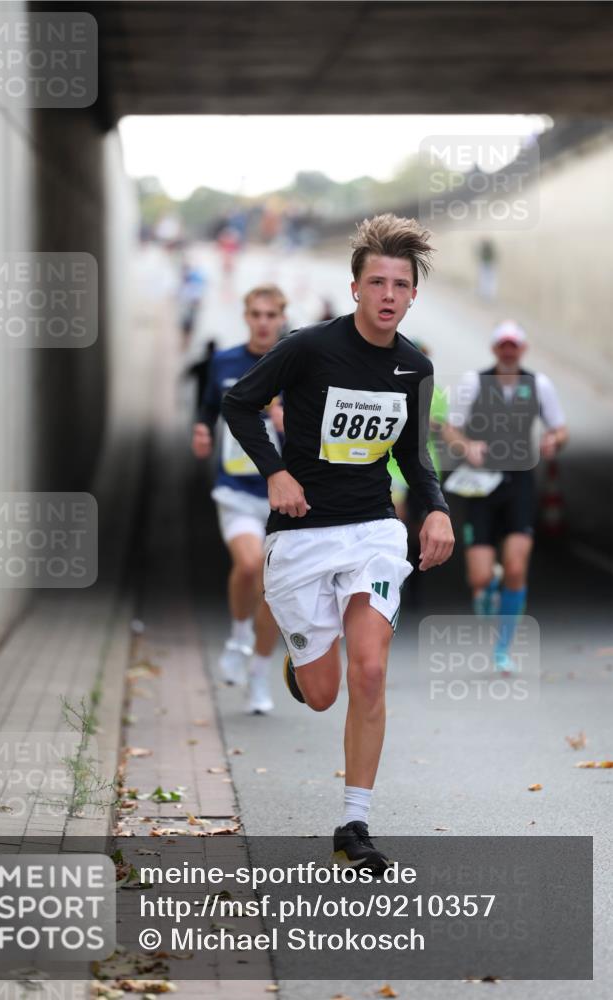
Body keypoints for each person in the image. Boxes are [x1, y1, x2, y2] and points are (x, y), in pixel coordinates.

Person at [222, 214, 454, 873]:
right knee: (322, 693)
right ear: (354, 288)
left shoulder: (414, 368)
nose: (387, 293)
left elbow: (413, 458)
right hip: (300, 536)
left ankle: (354, 823)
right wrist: (276, 473)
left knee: (371, 670)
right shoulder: (308, 348)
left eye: (399, 284)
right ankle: (299, 666)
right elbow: (240, 404)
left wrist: (433, 512)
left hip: (373, 533)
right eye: (375, 281)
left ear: (412, 295)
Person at [442, 320, 568, 673]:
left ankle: (502, 649)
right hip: (481, 485)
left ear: (523, 349)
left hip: (519, 484)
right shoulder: (473, 383)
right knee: (479, 578)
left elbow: (560, 429)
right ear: (495, 349)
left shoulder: (538, 385)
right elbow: (449, 428)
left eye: (515, 345)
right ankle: (489, 586)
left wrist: (553, 441)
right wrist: (466, 446)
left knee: (516, 566)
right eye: (503, 345)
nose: (509, 350)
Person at [192, 285, 288, 714]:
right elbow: (208, 407)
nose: (263, 321)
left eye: (271, 314)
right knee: (248, 565)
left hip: (283, 496)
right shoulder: (225, 362)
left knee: (273, 592)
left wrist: (289, 422)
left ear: (282, 317)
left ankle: (258, 675)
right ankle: (238, 636)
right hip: (235, 487)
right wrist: (201, 430)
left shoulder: (297, 365)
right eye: (256, 314)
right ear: (246, 316)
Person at [387, 340, 449, 606]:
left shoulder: (437, 395)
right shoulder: (389, 387)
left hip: (423, 467)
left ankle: (416, 578)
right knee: (395, 520)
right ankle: (392, 578)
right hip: (391, 467)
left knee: (417, 530)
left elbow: (442, 428)